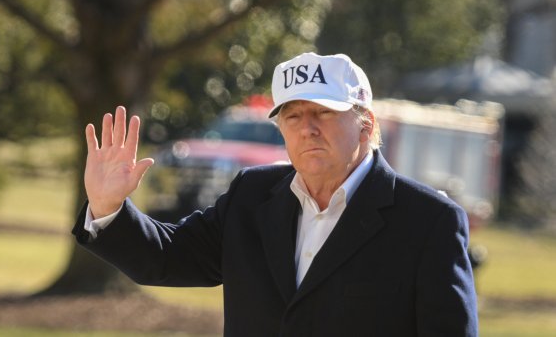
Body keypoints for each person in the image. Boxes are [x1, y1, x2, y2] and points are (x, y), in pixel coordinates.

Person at [72, 52, 478, 336]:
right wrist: (109, 207)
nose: (308, 128)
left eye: (324, 112)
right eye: (293, 115)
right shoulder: (253, 195)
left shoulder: (429, 221)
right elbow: (167, 257)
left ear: (366, 125)